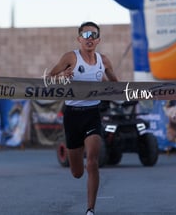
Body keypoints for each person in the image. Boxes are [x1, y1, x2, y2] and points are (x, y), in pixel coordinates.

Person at [48, 21, 119, 215]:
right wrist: (63, 76)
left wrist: (118, 90)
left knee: (93, 163)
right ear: (79, 39)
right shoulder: (71, 57)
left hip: (92, 115)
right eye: (85, 35)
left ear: (98, 40)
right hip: (72, 116)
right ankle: (77, 167)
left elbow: (116, 84)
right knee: (77, 172)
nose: (89, 39)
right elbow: (49, 78)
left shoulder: (103, 62)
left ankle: (90, 210)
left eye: (93, 35)